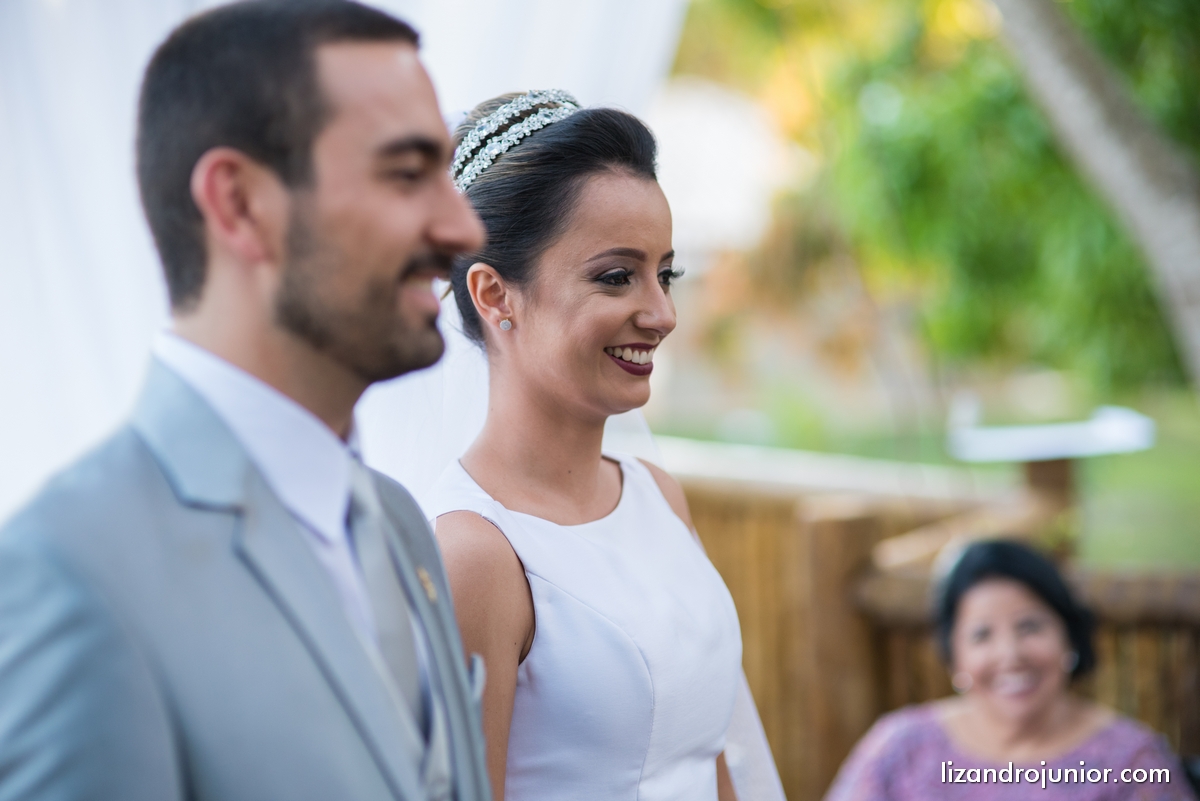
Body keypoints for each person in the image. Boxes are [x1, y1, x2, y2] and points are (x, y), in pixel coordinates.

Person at [0, 2, 491, 799]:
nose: (462, 226)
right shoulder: (71, 570)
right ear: (238, 204)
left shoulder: (401, 522)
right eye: (408, 173)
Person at [428, 90, 752, 801]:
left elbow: (711, 753)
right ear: (493, 294)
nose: (662, 313)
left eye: (665, 274)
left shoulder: (655, 494)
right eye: (615, 276)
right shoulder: (475, 555)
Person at [824, 539, 1197, 801]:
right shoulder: (900, 748)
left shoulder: (1130, 760)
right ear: (954, 655)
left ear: (1068, 636)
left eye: (1029, 627)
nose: (1010, 654)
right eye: (982, 634)